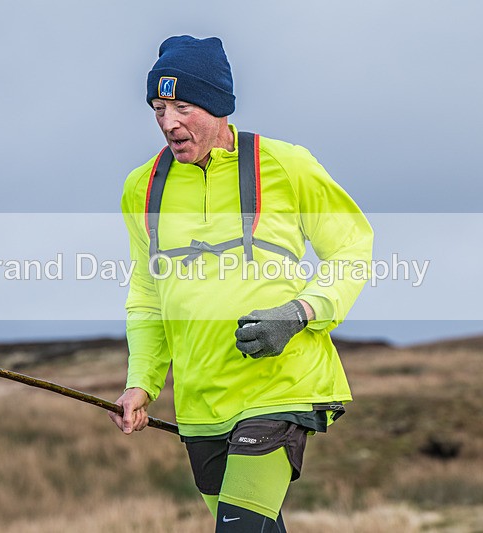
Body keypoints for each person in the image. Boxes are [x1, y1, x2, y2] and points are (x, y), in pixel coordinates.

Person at [109, 35, 373, 532]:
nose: (169, 122)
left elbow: (353, 250)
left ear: (218, 106)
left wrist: (299, 314)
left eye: (182, 106)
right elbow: (147, 297)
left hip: (280, 385)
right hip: (200, 399)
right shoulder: (140, 188)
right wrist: (140, 383)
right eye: (158, 107)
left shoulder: (286, 164)